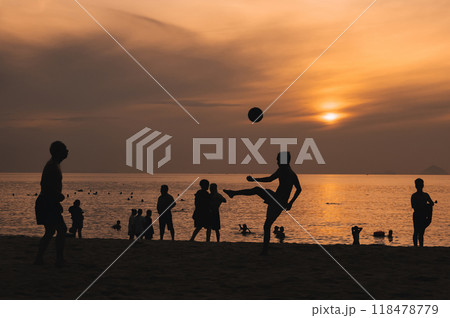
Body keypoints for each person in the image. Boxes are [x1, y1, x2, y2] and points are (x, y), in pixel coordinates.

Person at [224, 152, 302, 254]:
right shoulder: (292, 173)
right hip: (280, 202)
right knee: (267, 225)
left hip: (276, 200)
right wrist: (290, 203)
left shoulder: (283, 170)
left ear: (283, 161)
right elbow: (299, 189)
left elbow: (270, 179)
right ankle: (265, 250)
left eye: (278, 160)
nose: (277, 162)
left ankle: (233, 193)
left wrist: (254, 179)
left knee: (257, 191)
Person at [34, 141, 69, 267]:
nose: (67, 151)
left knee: (50, 231)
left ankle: (40, 258)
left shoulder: (55, 164)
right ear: (58, 152)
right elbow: (45, 185)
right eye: (65, 149)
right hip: (47, 202)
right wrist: (57, 195)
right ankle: (59, 260)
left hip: (48, 201)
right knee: (60, 229)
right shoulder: (52, 166)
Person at [411, 178, 434, 247]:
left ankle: (419, 246)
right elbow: (414, 206)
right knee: (418, 232)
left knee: (419, 232)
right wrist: (426, 206)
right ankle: (418, 246)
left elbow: (431, 203)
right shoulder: (419, 195)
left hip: (421, 215)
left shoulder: (417, 195)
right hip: (419, 215)